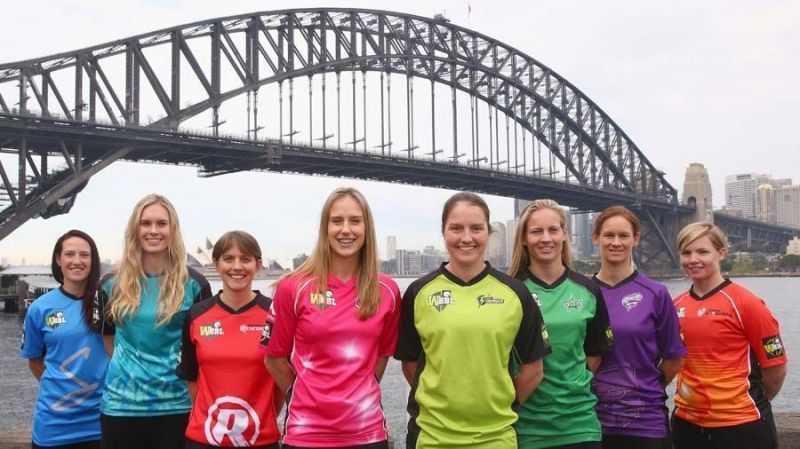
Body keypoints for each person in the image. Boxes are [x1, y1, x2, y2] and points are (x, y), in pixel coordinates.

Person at [396, 192, 551, 449]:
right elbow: (410, 364)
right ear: (443, 231)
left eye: (476, 228)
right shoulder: (418, 292)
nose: (466, 238)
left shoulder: (516, 293)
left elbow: (534, 370)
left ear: (488, 233)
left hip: (496, 437)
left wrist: (499, 405)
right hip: (432, 438)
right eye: (456, 228)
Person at [262, 187, 401, 449]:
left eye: (355, 221)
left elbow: (382, 356)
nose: (345, 230)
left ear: (366, 228)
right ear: (325, 228)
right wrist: (307, 395)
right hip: (305, 435)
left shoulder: (388, 291)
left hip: (367, 434)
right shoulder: (292, 288)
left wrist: (356, 393)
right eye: (337, 221)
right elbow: (274, 358)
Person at [96, 194, 212, 449]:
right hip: (121, 406)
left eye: (161, 223)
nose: (153, 230)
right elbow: (108, 339)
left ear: (173, 230)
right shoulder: (109, 284)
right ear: (135, 230)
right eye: (145, 223)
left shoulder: (195, 285)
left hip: (177, 404)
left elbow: (203, 347)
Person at [672, 222, 788, 449]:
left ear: (721, 253)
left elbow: (775, 367)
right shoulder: (675, 305)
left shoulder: (747, 304)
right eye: (686, 253)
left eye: (703, 251)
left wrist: (739, 404)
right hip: (687, 424)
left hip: (742, 426)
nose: (693, 259)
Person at [508, 199, 612, 449]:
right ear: (523, 238)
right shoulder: (510, 291)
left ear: (564, 233)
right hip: (525, 427)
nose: (546, 238)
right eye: (536, 231)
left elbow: (593, 356)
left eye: (553, 230)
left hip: (579, 426)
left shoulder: (588, 290)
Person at [589, 206, 686, 449]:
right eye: (609, 235)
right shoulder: (581, 293)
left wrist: (645, 387)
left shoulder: (656, 293)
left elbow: (674, 358)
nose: (616, 242)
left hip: (646, 423)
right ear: (596, 237)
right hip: (590, 421)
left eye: (623, 235)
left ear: (636, 239)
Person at [177, 231, 281, 449]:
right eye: (228, 258)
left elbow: (281, 378)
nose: (237, 266)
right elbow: (191, 377)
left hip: (260, 439)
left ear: (258, 265)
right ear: (216, 264)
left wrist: (262, 417)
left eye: (245, 259)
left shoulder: (273, 314)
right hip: (204, 439)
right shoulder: (196, 315)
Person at [20, 230, 109, 449]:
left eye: (84, 255)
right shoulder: (40, 308)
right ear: (58, 260)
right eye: (69, 254)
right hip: (54, 425)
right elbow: (34, 361)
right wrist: (63, 390)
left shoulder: (110, 303)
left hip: (103, 422)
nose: (77, 261)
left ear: (93, 261)